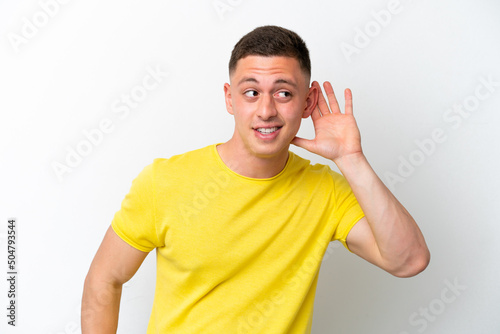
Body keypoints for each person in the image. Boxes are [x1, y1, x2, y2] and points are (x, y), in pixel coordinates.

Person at [81, 25, 430, 334]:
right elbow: (105, 278)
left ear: (307, 102)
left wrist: (351, 159)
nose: (266, 110)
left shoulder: (326, 192)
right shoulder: (163, 181)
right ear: (229, 99)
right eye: (251, 92)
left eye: (283, 93)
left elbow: (409, 261)